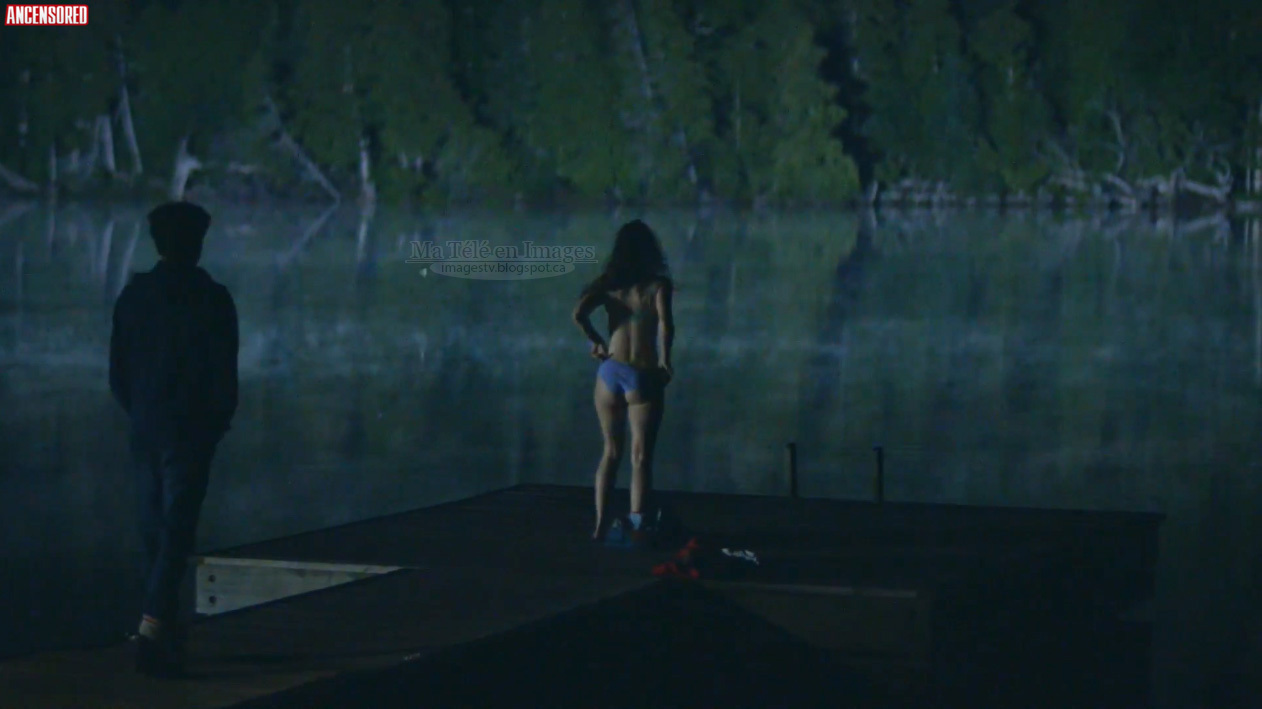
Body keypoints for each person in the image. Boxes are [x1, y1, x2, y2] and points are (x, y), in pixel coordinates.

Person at [109, 202, 238, 678]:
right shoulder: (213, 299)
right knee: (176, 531)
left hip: (147, 428)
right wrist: (216, 425)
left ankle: (165, 630)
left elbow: (118, 373)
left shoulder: (133, 297)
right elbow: (225, 374)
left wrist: (142, 413)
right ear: (197, 244)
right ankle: (153, 630)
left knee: (156, 533)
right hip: (190, 431)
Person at [572, 219, 674, 542]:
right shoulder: (658, 286)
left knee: (610, 452)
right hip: (642, 372)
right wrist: (665, 361)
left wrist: (596, 341)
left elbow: (578, 314)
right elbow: (666, 326)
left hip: (610, 371)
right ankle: (637, 526)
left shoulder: (609, 285)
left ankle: (600, 526)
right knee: (640, 457)